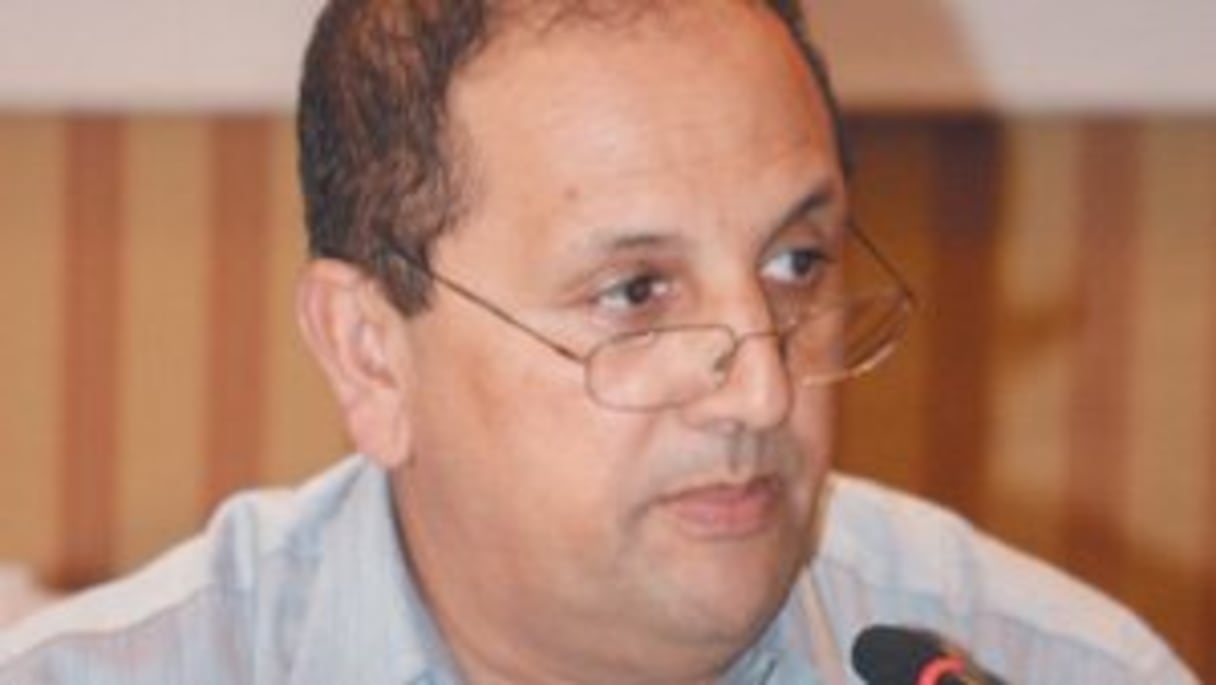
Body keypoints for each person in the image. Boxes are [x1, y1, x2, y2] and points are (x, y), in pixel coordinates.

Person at [0, 1, 1198, 683]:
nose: (761, 388)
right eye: (634, 291)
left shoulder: (1048, 668)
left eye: (795, 264)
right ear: (370, 353)